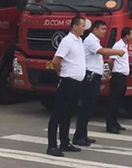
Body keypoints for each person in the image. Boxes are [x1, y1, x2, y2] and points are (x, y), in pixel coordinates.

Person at [72, 20, 126, 146]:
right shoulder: (91, 40)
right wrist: (117, 52)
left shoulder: (95, 41)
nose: (104, 32)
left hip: (95, 76)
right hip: (90, 76)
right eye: (102, 29)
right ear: (95, 29)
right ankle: (78, 136)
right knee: (86, 107)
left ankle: (83, 134)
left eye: (105, 29)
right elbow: (103, 52)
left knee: (90, 107)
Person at [46, 16, 87, 157]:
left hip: (77, 83)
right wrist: (60, 72)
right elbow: (56, 61)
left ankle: (64, 142)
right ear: (75, 26)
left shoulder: (79, 41)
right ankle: (52, 146)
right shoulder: (67, 41)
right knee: (58, 113)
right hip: (67, 82)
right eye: (82, 25)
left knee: (68, 114)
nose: (84, 28)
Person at [106, 27, 132, 134]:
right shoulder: (118, 46)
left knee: (119, 101)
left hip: (123, 77)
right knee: (113, 101)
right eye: (131, 35)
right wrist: (112, 71)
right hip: (118, 76)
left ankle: (115, 122)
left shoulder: (125, 46)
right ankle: (110, 125)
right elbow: (110, 60)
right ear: (126, 36)